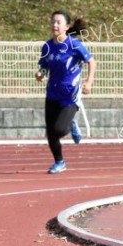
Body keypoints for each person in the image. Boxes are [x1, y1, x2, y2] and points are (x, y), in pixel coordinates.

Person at [36, 11, 96, 174]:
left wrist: (89, 82)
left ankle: (71, 124)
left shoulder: (74, 45)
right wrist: (40, 74)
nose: (54, 25)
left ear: (66, 27)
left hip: (70, 95)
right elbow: (43, 65)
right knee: (51, 132)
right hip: (52, 93)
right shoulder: (47, 46)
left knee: (60, 129)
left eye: (58, 22)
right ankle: (59, 162)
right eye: (52, 22)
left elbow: (91, 61)